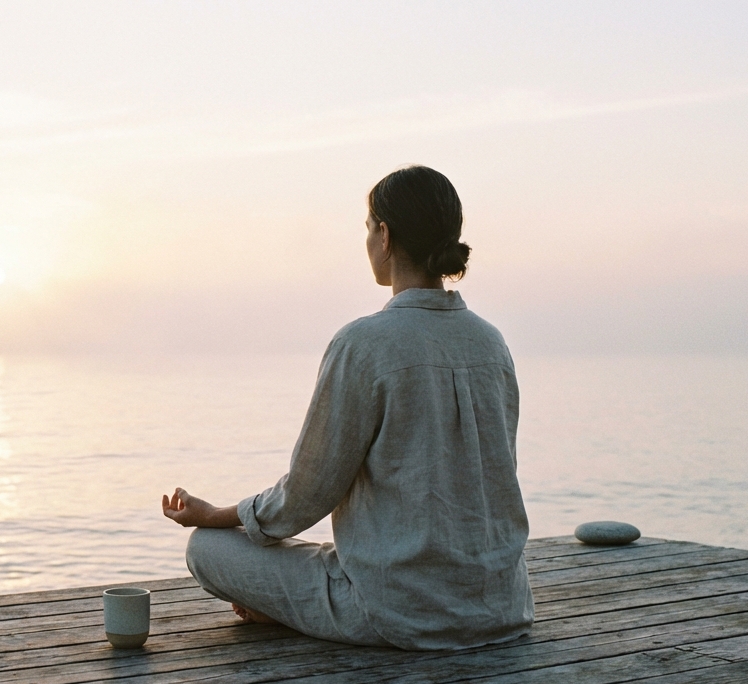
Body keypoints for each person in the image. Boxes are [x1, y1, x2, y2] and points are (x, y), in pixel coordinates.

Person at [161, 165, 534, 651]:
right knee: (323, 554)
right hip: (500, 607)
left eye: (367, 227)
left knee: (208, 549)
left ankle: (283, 607)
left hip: (397, 610)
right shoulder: (492, 342)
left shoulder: (364, 344)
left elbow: (305, 496)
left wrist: (215, 515)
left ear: (384, 235)